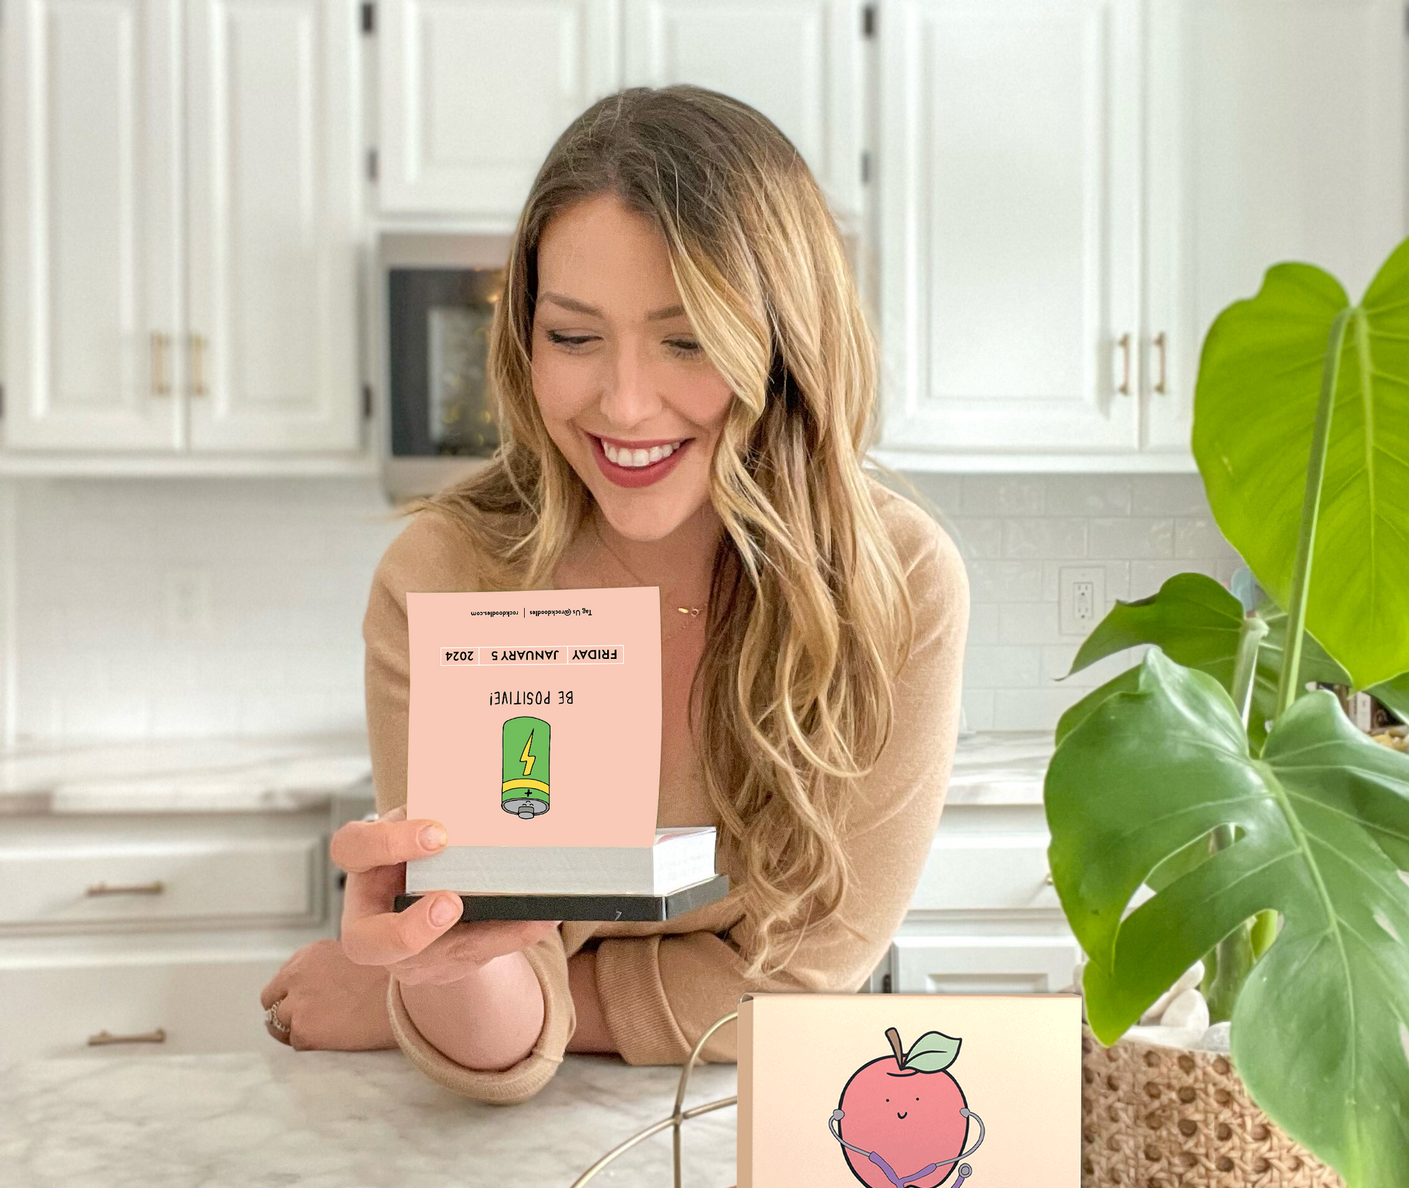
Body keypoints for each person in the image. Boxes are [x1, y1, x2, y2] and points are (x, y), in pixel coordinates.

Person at [261, 86, 968, 1105]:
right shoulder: (444, 577)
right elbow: (499, 1016)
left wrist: (396, 1007)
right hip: (504, 1155)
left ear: (783, 345)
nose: (625, 403)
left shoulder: (895, 583)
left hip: (754, 1134)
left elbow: (807, 983)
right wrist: (439, 966)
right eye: (575, 337)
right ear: (524, 340)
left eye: (686, 341)